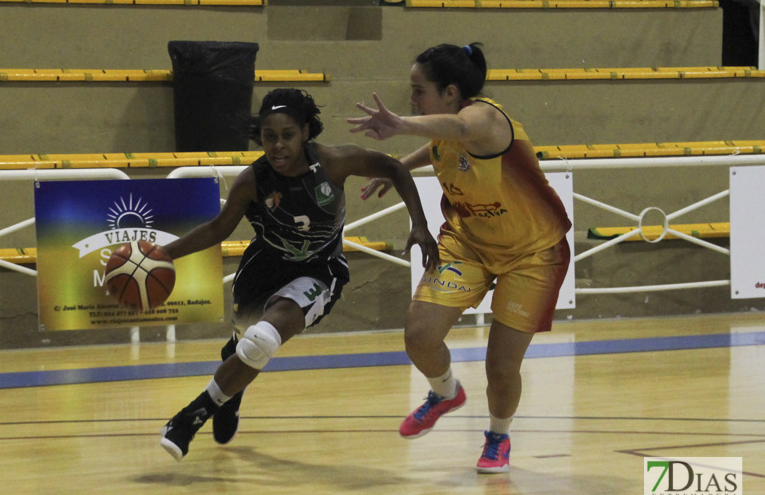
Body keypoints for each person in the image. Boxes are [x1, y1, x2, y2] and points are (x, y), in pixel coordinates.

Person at [159, 88, 439, 461]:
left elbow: (395, 168)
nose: (277, 146)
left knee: (261, 341)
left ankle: (188, 418)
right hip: (265, 268)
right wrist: (163, 254)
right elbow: (217, 229)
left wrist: (419, 223)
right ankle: (230, 393)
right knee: (243, 346)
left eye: (287, 135)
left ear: (305, 131)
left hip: (320, 271)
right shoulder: (252, 180)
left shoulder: (335, 162)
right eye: (269, 137)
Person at [348, 43, 571, 473]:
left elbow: (458, 128)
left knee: (501, 367)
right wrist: (399, 167)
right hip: (469, 243)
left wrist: (399, 124)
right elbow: (441, 142)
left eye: (418, 90)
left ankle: (498, 437)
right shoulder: (447, 129)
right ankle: (446, 393)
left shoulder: (484, 117)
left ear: (450, 92)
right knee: (419, 335)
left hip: (534, 254)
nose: (411, 99)